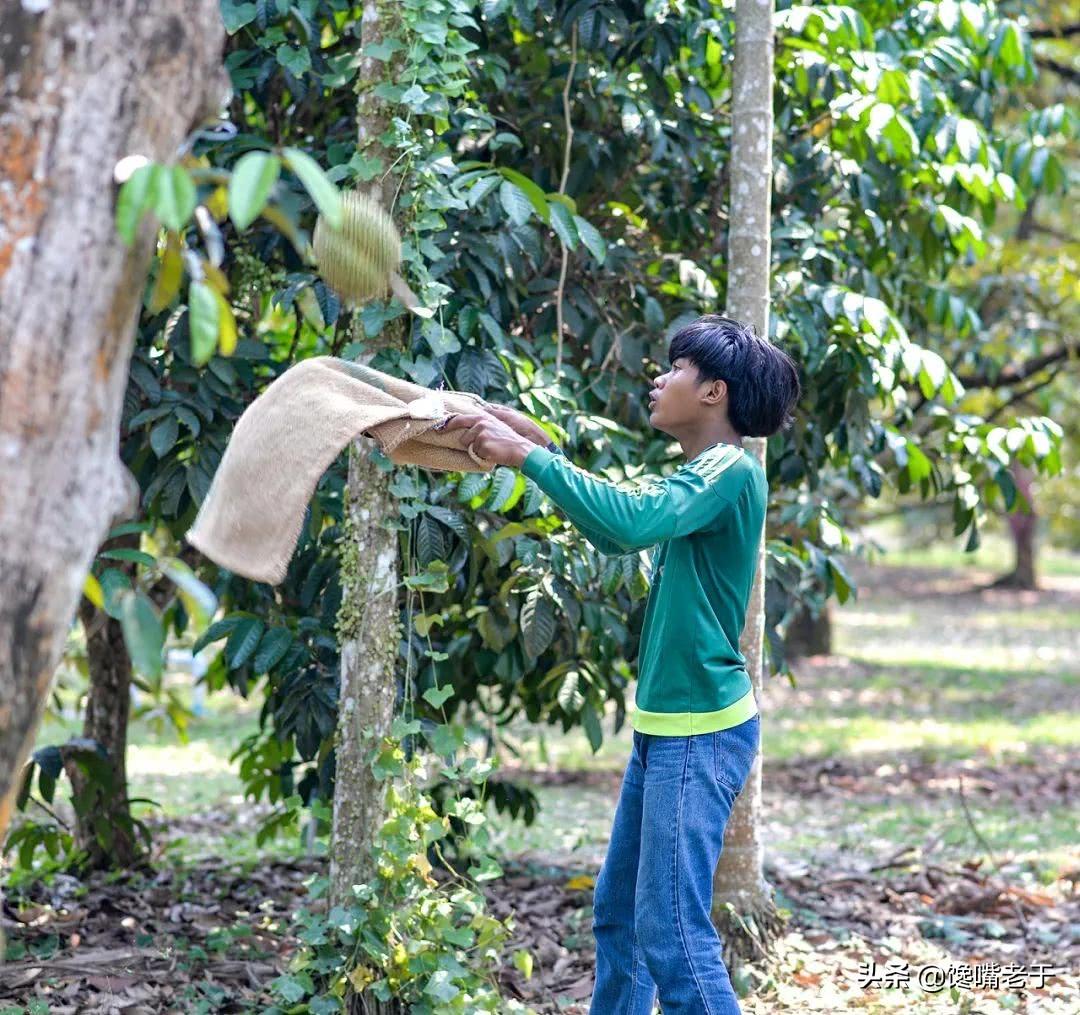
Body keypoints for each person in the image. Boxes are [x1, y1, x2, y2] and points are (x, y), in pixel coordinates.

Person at [440, 314, 800, 1014]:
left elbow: (626, 523)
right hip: (669, 727)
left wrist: (526, 457)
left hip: (699, 730)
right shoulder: (706, 472)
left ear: (713, 392)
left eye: (675, 369)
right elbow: (624, 510)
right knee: (620, 915)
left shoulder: (728, 470)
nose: (659, 378)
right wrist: (536, 443)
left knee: (670, 927)